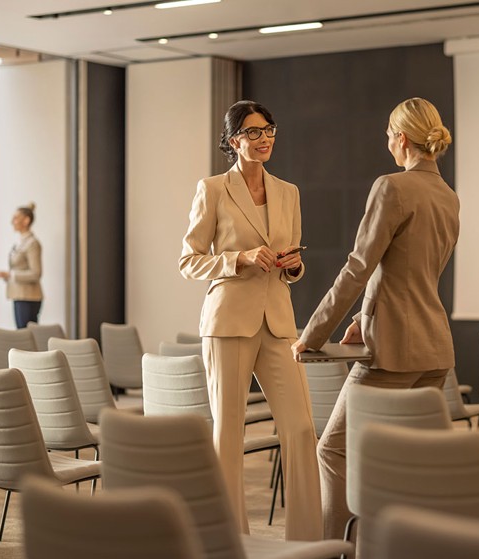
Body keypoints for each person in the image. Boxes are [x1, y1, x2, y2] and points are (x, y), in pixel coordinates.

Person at [291, 97, 460, 539]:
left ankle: (337, 551)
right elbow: (411, 272)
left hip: (393, 353)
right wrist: (363, 318)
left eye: (388, 135)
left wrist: (313, 334)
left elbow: (359, 267)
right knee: (403, 463)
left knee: (333, 450)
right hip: (434, 350)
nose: (387, 142)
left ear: (401, 138)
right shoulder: (448, 197)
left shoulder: (392, 187)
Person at [178, 100, 321, 541]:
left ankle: (307, 539)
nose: (264, 139)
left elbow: (292, 259)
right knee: (228, 433)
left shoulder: (289, 192)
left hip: (278, 323)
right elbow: (189, 261)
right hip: (227, 322)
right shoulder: (213, 189)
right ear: (233, 140)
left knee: (301, 428)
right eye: (254, 132)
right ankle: (229, 539)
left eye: (269, 130)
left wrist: (293, 266)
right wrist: (238, 258)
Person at [0, 203, 43, 328]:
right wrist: (3, 275)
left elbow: (36, 273)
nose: (12, 221)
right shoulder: (20, 243)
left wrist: (9, 274)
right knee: (21, 333)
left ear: (26, 220)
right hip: (18, 294)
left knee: (25, 334)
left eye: (16, 218)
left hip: (28, 297)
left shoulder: (32, 243)